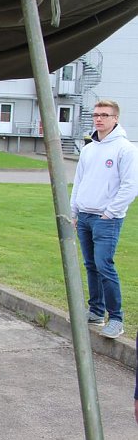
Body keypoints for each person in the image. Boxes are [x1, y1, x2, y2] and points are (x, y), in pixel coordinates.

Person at [70, 100, 138, 339]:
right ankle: (96, 311)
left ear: (115, 119)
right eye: (96, 115)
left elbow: (130, 186)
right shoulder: (89, 149)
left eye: (105, 115)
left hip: (106, 219)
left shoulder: (125, 149)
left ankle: (116, 318)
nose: (99, 119)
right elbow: (79, 181)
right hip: (85, 216)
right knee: (90, 265)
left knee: (104, 266)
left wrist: (109, 212)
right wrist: (74, 211)